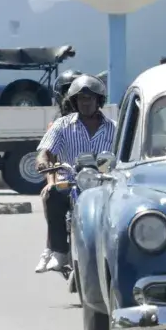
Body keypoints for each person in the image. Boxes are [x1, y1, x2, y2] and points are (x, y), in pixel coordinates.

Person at [33, 74, 115, 274]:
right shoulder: (62, 125)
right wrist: (43, 163)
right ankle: (59, 251)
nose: (85, 103)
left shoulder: (115, 127)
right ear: (74, 101)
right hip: (71, 182)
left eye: (90, 98)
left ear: (99, 100)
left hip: (104, 183)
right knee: (52, 194)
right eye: (81, 99)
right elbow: (45, 152)